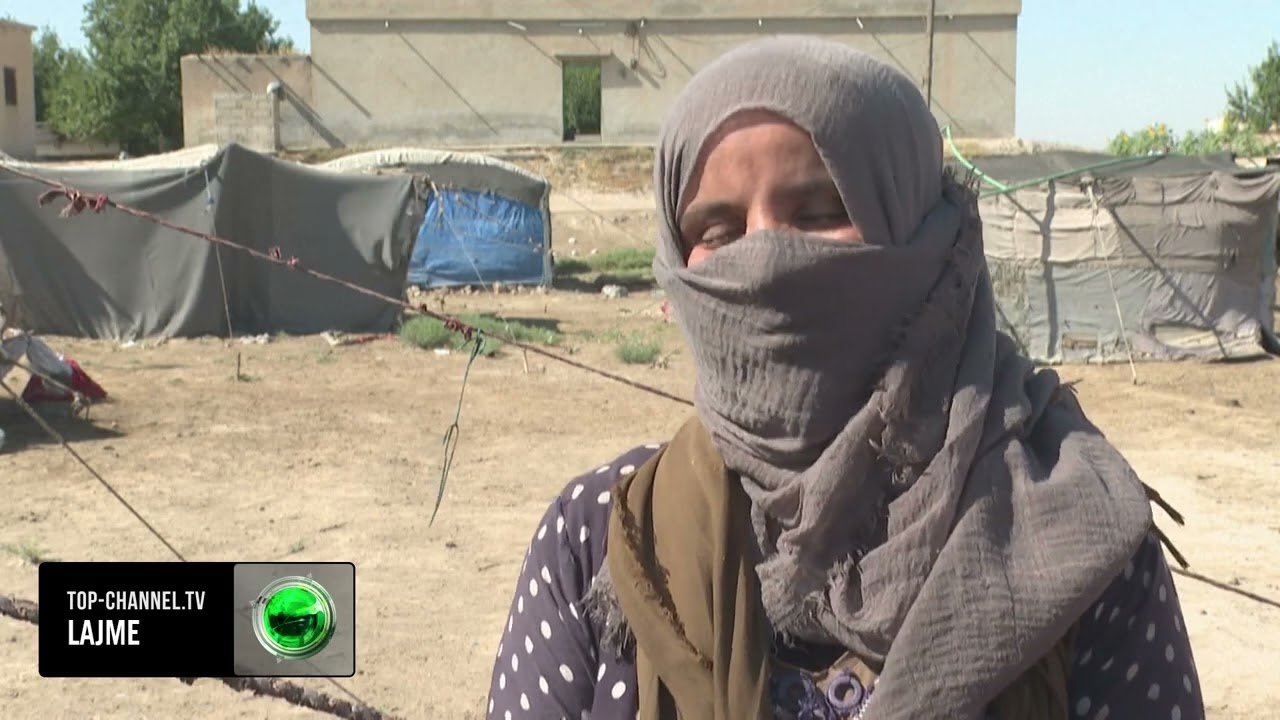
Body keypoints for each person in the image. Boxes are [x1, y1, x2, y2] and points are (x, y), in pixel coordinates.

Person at [486, 37, 1203, 720]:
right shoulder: (603, 539)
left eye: (822, 212)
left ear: (927, 236)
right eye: (718, 230)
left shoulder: (1076, 538)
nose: (765, 258)